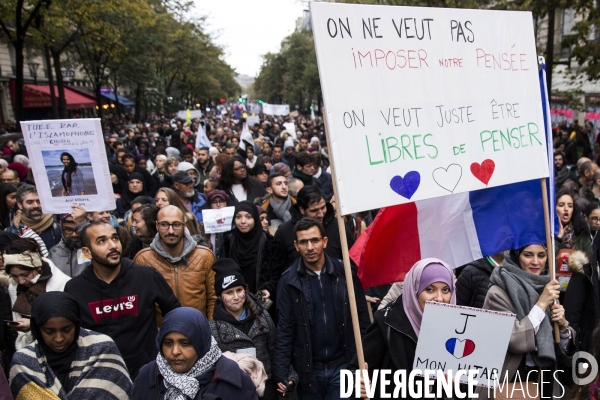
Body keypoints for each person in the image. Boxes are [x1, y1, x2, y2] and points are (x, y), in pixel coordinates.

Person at [64, 222, 181, 379]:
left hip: (149, 374)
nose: (112, 245)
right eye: (102, 241)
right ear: (87, 252)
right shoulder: (75, 288)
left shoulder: (145, 276)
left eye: (115, 238)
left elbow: (176, 315)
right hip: (100, 377)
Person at [273, 218, 370, 399]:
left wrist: (364, 359)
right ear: (296, 245)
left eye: (315, 240)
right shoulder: (288, 281)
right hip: (309, 371)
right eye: (303, 242)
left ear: (324, 241)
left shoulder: (345, 274)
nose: (310, 247)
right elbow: (284, 328)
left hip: (344, 365)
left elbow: (362, 320)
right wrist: (282, 372)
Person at [348, 258, 456, 400]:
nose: (439, 298)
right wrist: (357, 385)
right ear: (415, 290)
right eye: (430, 289)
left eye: (446, 290)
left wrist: (455, 388)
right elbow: (352, 374)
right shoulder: (387, 324)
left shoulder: (457, 330)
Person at [478, 244, 576, 399]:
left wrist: (563, 327)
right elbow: (514, 340)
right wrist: (541, 304)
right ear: (516, 256)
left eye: (542, 255)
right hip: (510, 381)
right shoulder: (498, 292)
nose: (536, 262)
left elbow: (561, 347)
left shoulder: (549, 286)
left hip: (546, 379)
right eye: (528, 255)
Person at [9, 292, 132, 399]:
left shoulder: (102, 349)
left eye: (67, 329)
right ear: (37, 329)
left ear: (76, 324)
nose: (59, 338)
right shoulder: (23, 362)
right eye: (49, 332)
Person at [209, 258, 297, 400]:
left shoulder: (263, 317)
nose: (236, 297)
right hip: (237, 392)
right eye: (229, 293)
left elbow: (276, 349)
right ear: (220, 296)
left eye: (239, 290)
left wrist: (289, 376)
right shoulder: (213, 329)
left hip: (268, 389)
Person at [132, 307, 259, 399]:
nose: (175, 351)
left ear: (201, 343)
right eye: (168, 343)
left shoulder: (234, 382)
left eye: (185, 343)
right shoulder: (147, 377)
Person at [134, 205, 216, 320]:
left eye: (176, 224)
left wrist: (210, 331)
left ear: (184, 226)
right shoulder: (143, 259)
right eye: (164, 224)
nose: (171, 231)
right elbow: (141, 304)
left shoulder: (204, 256)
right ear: (157, 225)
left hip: (198, 331)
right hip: (161, 333)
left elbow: (213, 299)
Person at [5, 238, 70, 349]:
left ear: (38, 267)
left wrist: (32, 325)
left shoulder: (63, 284)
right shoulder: (14, 286)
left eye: (25, 274)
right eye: (14, 276)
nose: (21, 281)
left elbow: (67, 324)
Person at [274, 186, 355, 268]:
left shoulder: (339, 227)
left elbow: (353, 260)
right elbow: (276, 268)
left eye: (323, 207)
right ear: (302, 209)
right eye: (314, 210)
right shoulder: (284, 232)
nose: (320, 214)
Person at [219, 201, 284, 301]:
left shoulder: (269, 242)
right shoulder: (228, 239)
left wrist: (268, 288)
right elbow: (222, 271)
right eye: (238, 217)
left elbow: (277, 273)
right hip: (234, 301)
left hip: (260, 301)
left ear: (255, 219)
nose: (243, 221)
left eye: (248, 217)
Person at [9, 185, 61, 250]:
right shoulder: (12, 231)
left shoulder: (56, 229)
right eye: (30, 202)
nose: (35, 206)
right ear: (20, 205)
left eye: (39, 202)